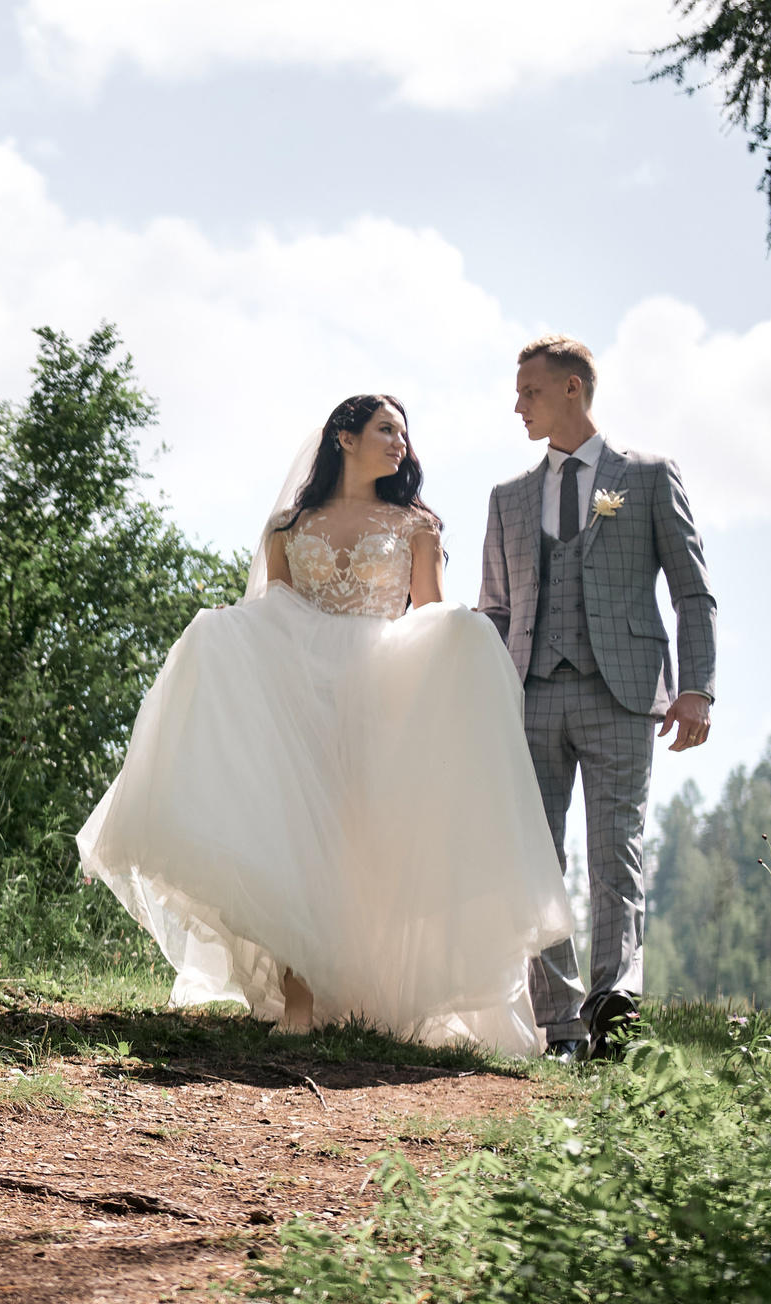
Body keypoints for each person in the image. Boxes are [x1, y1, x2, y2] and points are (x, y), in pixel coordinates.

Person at [78, 394, 572, 1056]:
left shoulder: (416, 525)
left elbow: (428, 611)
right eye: (385, 429)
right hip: (298, 692)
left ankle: (374, 988)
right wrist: (218, 635)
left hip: (382, 690)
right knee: (294, 835)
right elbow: (270, 611)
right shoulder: (288, 526)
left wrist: (465, 637)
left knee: (362, 841)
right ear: (344, 437)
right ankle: (300, 996)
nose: (401, 442)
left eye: (404, 432)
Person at [482, 335, 715, 1062]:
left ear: (574, 389)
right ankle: (560, 1027)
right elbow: (494, 610)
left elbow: (691, 589)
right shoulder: (509, 497)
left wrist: (698, 688)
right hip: (529, 699)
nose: (517, 404)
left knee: (616, 857)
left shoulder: (645, 478)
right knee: (537, 863)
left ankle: (614, 1020)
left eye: (530, 391)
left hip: (622, 695)